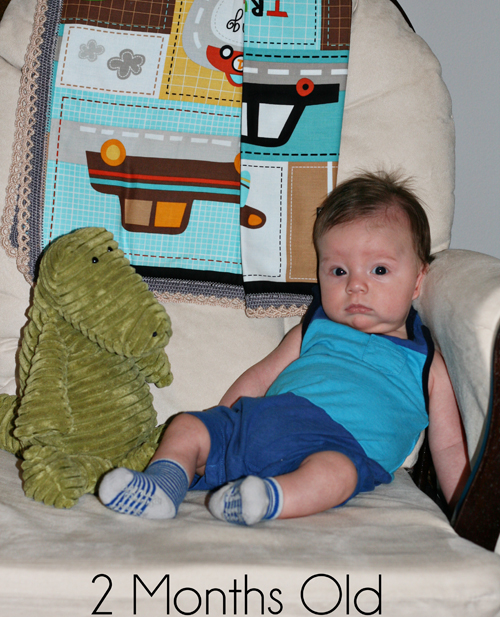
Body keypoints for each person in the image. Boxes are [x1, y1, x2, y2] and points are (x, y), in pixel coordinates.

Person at [98, 171, 470, 525]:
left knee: (337, 473)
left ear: (418, 280)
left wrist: (470, 518)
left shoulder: (427, 364)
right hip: (261, 426)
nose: (355, 286)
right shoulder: (313, 330)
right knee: (187, 426)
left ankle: (266, 498)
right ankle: (163, 485)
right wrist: (223, 422)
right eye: (339, 271)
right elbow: (261, 377)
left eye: (379, 270)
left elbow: (450, 446)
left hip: (338, 447)